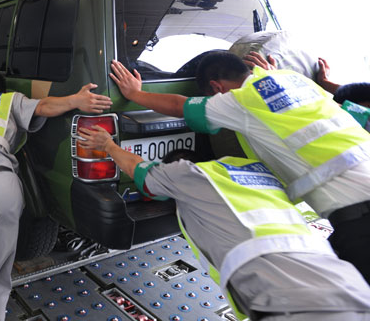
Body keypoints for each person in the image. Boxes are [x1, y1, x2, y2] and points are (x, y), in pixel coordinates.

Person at [109, 51, 370, 282]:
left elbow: (180, 106)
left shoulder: (241, 99)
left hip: (359, 217)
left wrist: (135, 94)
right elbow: (343, 111)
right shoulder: (293, 79)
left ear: (216, 87)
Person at [77, 126, 370, 321]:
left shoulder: (183, 174)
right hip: (349, 284)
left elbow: (137, 170)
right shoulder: (254, 170)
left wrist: (108, 144)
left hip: (288, 299)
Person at [0, 73, 113, 321]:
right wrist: (76, 100)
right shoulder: (7, 101)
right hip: (6, 185)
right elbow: (44, 106)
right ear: (0, 91)